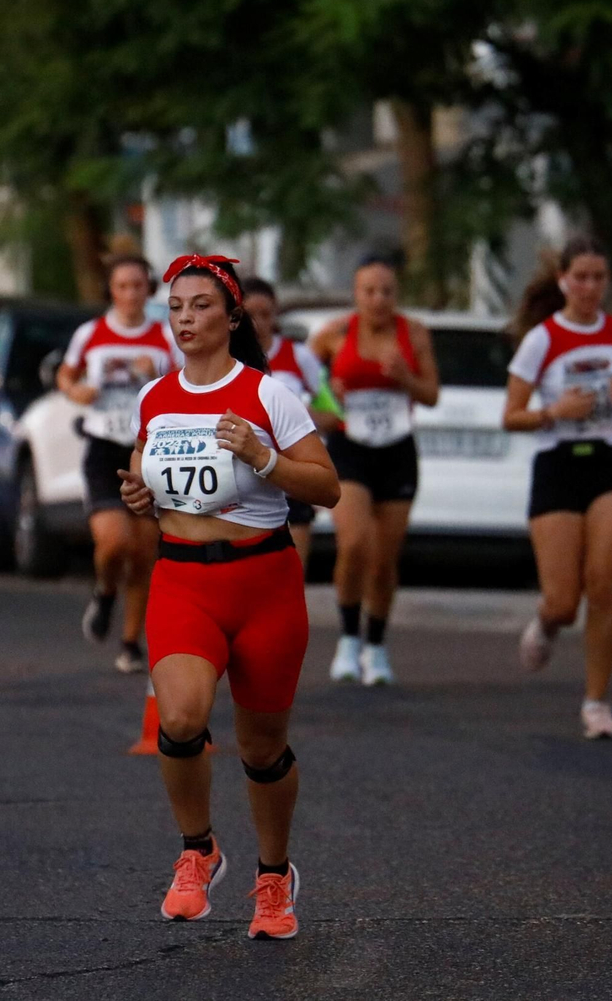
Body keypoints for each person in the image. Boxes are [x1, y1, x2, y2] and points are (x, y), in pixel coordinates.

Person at [119, 255, 339, 940]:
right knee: (181, 719)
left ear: (232, 317)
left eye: (200, 306)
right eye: (176, 307)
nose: (184, 319)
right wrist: (138, 495)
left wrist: (265, 459)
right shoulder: (153, 398)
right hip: (183, 578)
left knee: (262, 748)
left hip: (264, 583)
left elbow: (327, 488)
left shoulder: (268, 395)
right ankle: (198, 850)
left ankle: (274, 876)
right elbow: (143, 476)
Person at [503, 236, 612, 740]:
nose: (591, 287)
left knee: (604, 582)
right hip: (558, 466)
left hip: (611, 463)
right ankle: (547, 624)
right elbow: (512, 416)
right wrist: (554, 412)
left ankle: (597, 703)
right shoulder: (542, 340)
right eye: (581, 277)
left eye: (599, 277)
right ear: (564, 281)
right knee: (564, 601)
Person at [308, 255, 439, 685]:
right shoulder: (333, 334)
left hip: (397, 450)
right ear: (356, 293)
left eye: (387, 291)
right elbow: (305, 390)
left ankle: (376, 646)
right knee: (355, 543)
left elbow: (432, 394)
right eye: (370, 291)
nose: (379, 299)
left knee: (384, 560)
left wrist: (404, 376)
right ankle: (348, 638)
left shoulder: (413, 333)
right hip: (349, 448)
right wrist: (331, 394)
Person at [56, 254, 181, 673]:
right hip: (104, 446)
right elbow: (65, 376)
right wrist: (77, 393)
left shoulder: (165, 337)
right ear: (111, 290)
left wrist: (157, 374)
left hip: (148, 449)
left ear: (149, 290)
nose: (130, 294)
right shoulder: (91, 332)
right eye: (122, 286)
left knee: (145, 552)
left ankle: (130, 642)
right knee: (114, 543)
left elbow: (186, 387)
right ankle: (105, 591)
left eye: (138, 286)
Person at [240, 276, 335, 564]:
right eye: (249, 315)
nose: (257, 323)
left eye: (265, 314)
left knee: (291, 573)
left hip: (292, 476)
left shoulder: (300, 356)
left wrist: (295, 416)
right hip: (241, 482)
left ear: (276, 315)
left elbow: (332, 416)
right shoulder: (223, 359)